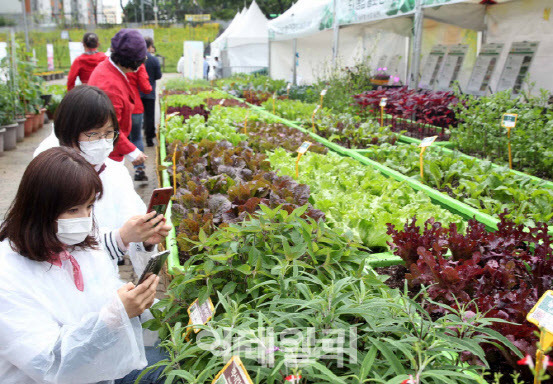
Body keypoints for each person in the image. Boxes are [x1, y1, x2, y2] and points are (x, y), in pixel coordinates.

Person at [0, 147, 165, 383]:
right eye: (73, 210)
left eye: (89, 207)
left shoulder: (75, 245)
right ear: (39, 209)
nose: (85, 218)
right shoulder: (7, 275)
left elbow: (104, 288)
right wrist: (114, 316)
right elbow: (49, 364)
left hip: (97, 365)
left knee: (171, 359)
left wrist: (141, 303)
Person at [34, 86, 170, 276]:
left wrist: (145, 239)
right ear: (67, 130)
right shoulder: (49, 171)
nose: (103, 141)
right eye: (93, 134)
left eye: (108, 133)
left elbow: (131, 224)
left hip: (104, 282)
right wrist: (120, 238)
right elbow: (57, 244)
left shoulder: (115, 173)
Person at [89, 29, 148, 167]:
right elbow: (107, 129)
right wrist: (132, 152)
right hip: (106, 155)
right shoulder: (110, 86)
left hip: (108, 148)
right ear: (133, 62)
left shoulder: (108, 67)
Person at [127, 64, 152, 181]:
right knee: (137, 137)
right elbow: (146, 88)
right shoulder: (137, 64)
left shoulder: (111, 61)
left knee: (114, 139)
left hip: (116, 105)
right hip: (135, 105)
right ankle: (139, 169)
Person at [141, 37, 162, 148]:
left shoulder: (137, 58)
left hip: (137, 92)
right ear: (150, 46)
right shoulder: (154, 60)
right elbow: (159, 76)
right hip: (150, 92)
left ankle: (135, 137)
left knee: (137, 114)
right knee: (149, 116)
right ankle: (149, 139)